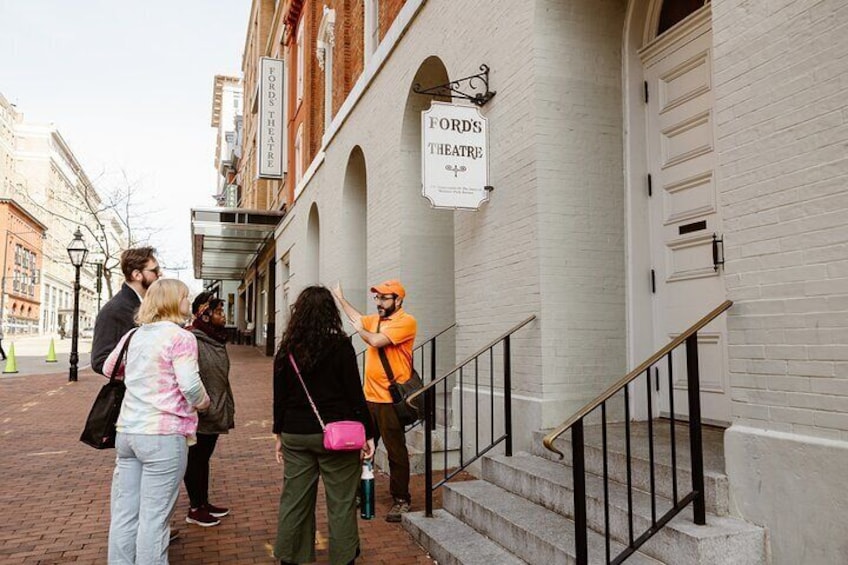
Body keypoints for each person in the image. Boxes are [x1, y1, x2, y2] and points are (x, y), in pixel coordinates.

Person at [105, 278, 210, 565]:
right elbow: (189, 385)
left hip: (128, 432)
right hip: (163, 434)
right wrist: (204, 402)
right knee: (155, 518)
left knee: (125, 513)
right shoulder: (180, 337)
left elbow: (108, 368)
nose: (189, 302)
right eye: (185, 297)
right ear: (174, 302)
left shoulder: (132, 336)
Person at [273, 286, 375, 565]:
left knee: (294, 500)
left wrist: (278, 433)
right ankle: (343, 558)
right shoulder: (340, 346)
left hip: (296, 433)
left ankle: (291, 556)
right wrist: (369, 433)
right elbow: (355, 394)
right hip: (338, 435)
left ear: (299, 313)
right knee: (341, 502)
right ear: (331, 313)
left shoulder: (287, 348)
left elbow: (279, 396)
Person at [332, 279, 417, 523]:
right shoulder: (376, 320)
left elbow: (376, 340)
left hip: (390, 402)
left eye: (384, 298)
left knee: (395, 453)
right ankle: (359, 493)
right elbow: (358, 317)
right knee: (362, 450)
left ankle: (402, 500)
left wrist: (359, 328)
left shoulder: (406, 322)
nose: (379, 302)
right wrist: (340, 297)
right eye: (377, 298)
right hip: (368, 399)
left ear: (398, 300)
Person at [183, 292, 235, 528]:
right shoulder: (193, 340)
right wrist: (202, 405)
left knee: (203, 459)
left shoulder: (215, 339)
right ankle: (195, 508)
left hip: (215, 408)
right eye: (219, 312)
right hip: (201, 412)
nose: (223, 316)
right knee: (195, 459)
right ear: (205, 316)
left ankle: (204, 502)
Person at [92, 246, 160, 375]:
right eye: (155, 270)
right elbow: (100, 361)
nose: (160, 274)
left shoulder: (143, 304)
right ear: (137, 275)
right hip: (132, 392)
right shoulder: (114, 310)